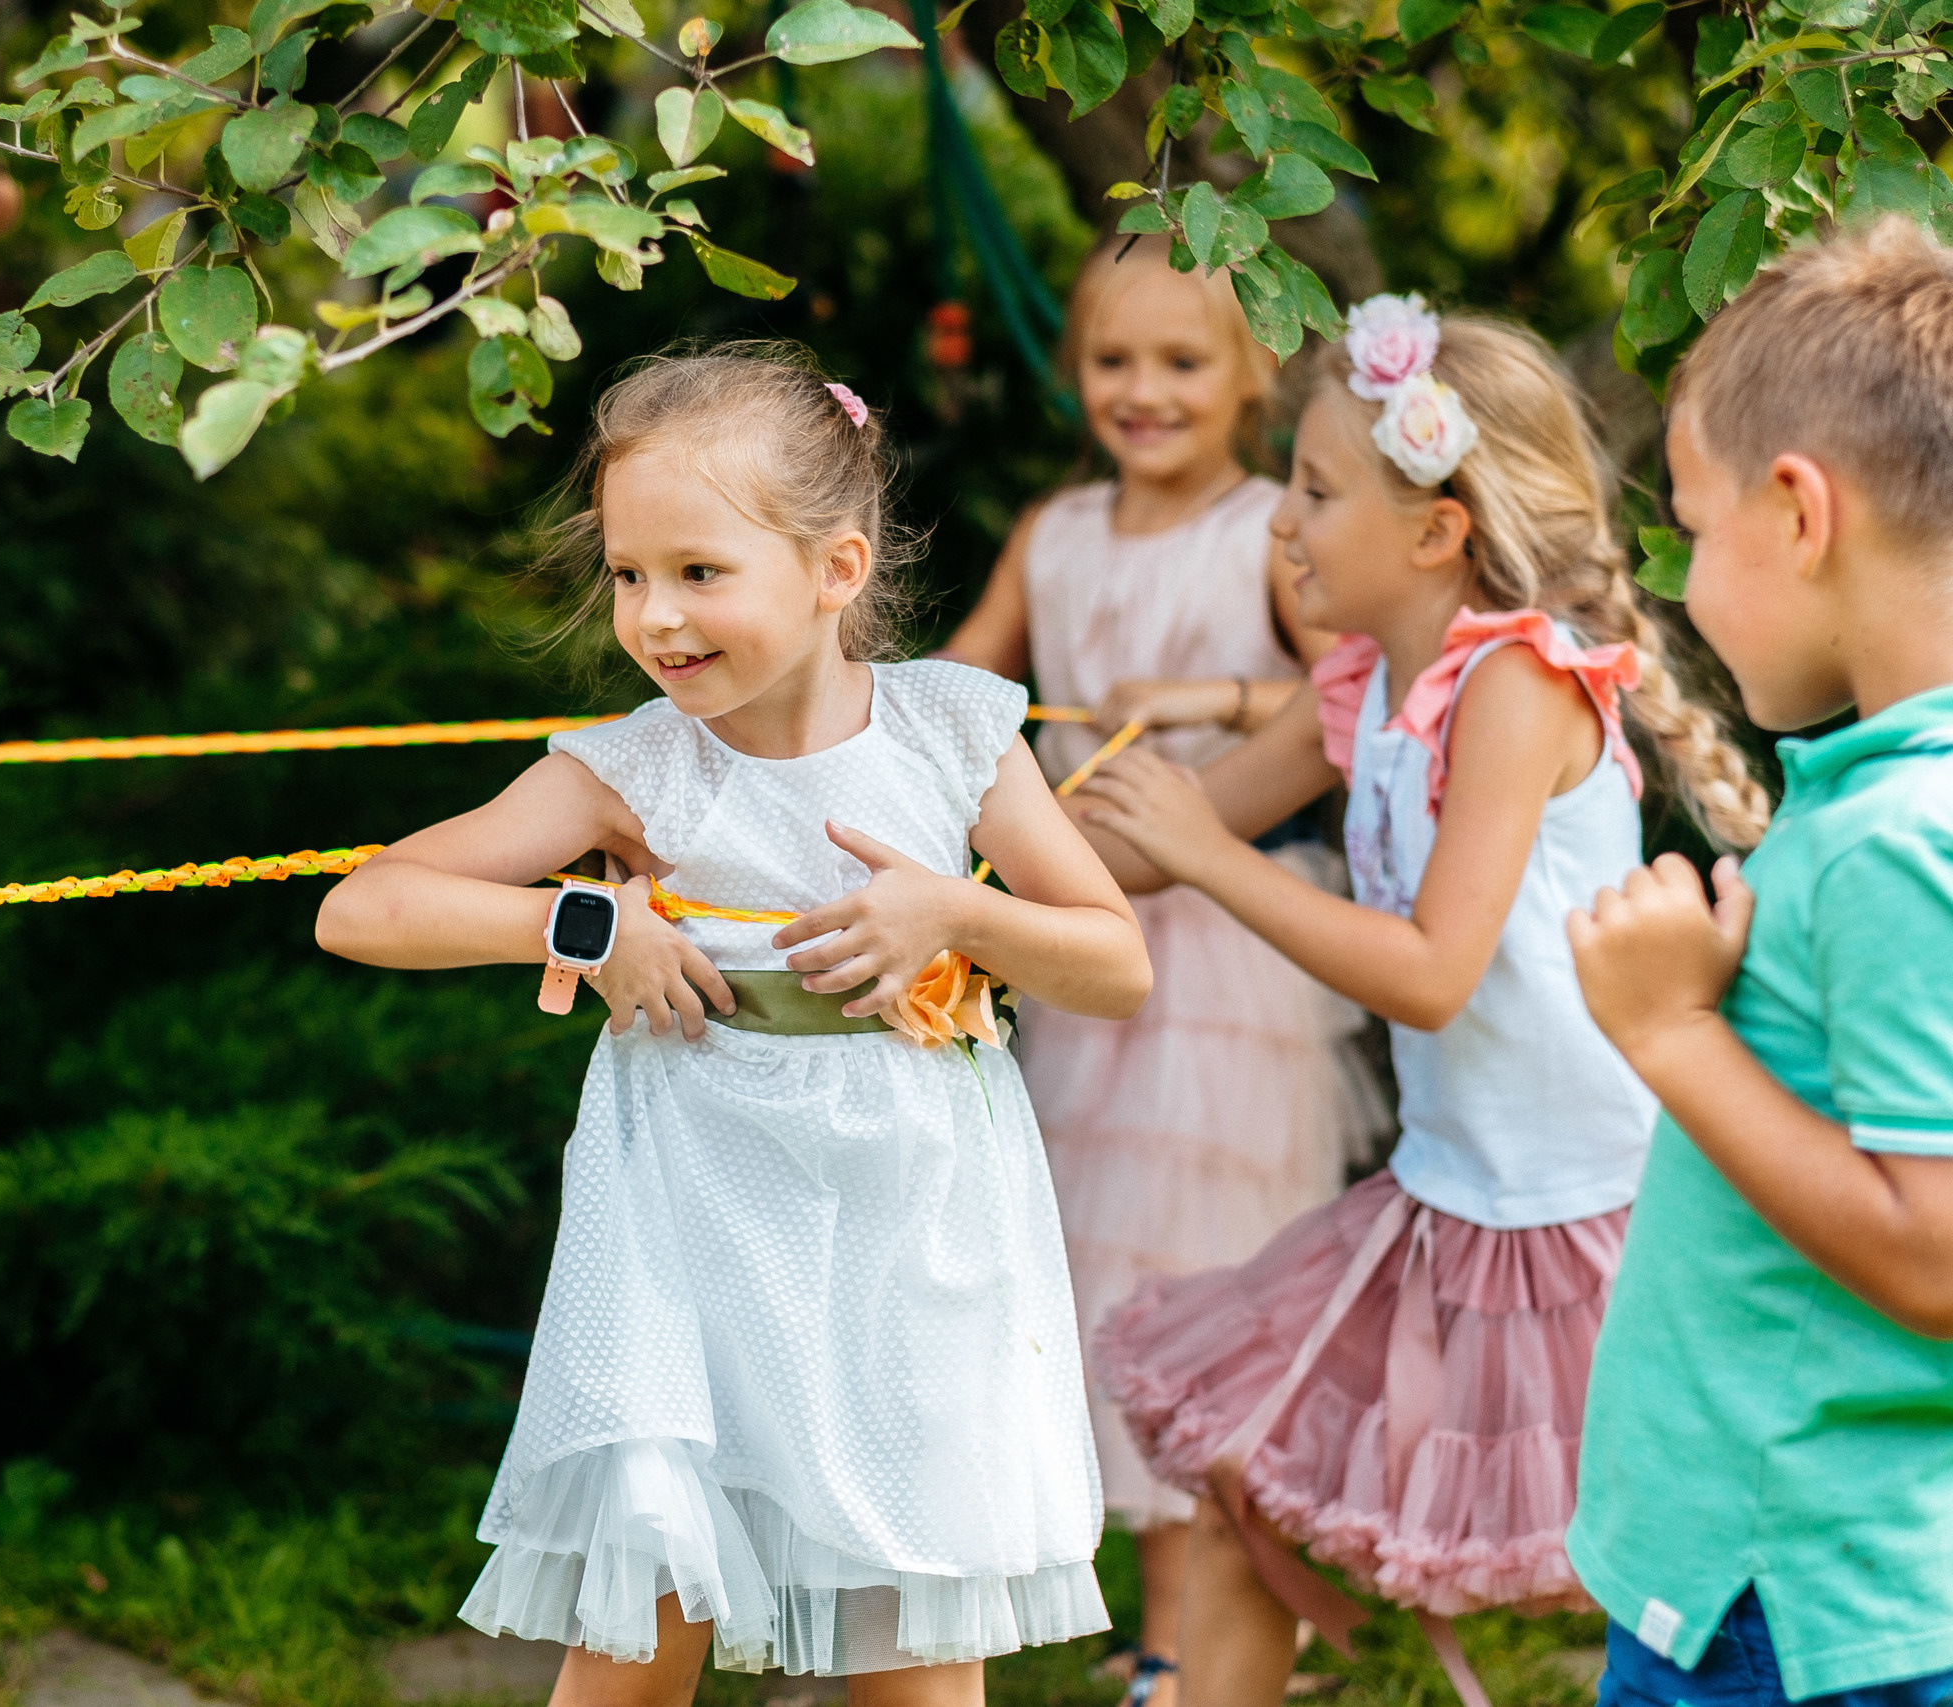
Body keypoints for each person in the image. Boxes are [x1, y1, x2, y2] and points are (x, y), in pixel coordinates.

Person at [315, 345, 1153, 1705]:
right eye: (631, 575)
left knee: (915, 1638)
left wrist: (955, 917)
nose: (655, 616)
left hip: (911, 1228)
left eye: (699, 573)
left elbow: (1114, 963)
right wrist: (577, 928)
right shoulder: (636, 767)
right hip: (687, 1221)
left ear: (835, 569)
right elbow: (365, 906)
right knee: (642, 1621)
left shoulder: (954, 736)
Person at [1075, 298, 1768, 1707]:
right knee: (1245, 1487)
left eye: (1318, 492)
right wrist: (952, 857)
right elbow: (1144, 842)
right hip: (1449, 1198)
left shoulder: (1515, 686)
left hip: (1594, 1217)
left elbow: (1437, 975)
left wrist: (1215, 864)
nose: (1283, 526)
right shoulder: (1367, 678)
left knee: (1687, 1557)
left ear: (1436, 530)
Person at [936, 236, 1378, 1705]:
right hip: (1081, 961)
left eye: (1183, 361)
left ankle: (1214, 1635)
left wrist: (1217, 694)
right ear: (1074, 373)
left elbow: (1345, 698)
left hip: (1224, 969)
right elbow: (953, 697)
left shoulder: (1270, 526)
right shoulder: (1051, 536)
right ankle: (1162, 1627)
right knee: (1099, 1272)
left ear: (1254, 376)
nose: (1145, 390)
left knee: (1207, 1276)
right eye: (1115, 360)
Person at [1564, 219, 1953, 1707]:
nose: (1686, 586)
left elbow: (1935, 1255)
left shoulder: (1892, 843)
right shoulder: (1887, 803)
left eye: (1691, 526)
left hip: (1789, 1601)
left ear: (1800, 514)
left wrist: (1670, 1035)